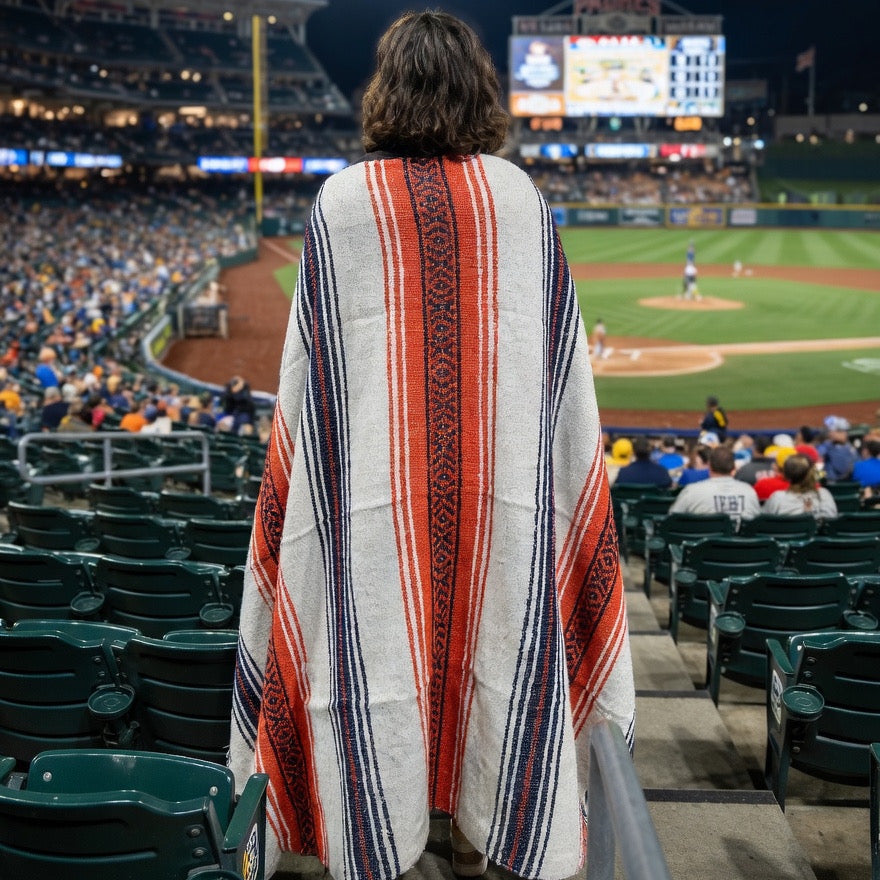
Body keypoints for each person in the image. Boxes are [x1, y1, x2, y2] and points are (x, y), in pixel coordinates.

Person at [229, 13, 635, 880]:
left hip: (378, 515)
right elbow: (557, 400)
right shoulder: (519, 198)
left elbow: (309, 393)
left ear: (386, 90)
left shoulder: (342, 200)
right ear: (480, 90)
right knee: (496, 644)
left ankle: (386, 826)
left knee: (379, 648)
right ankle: (478, 829)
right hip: (502, 517)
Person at [668, 445, 760, 526]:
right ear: (734, 468)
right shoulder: (749, 492)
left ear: (710, 466)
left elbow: (671, 518)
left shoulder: (692, 491)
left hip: (702, 544)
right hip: (742, 545)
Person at [763, 454, 838, 521]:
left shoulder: (777, 498)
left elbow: (764, 522)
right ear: (812, 471)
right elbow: (831, 523)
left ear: (786, 474)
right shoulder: (824, 495)